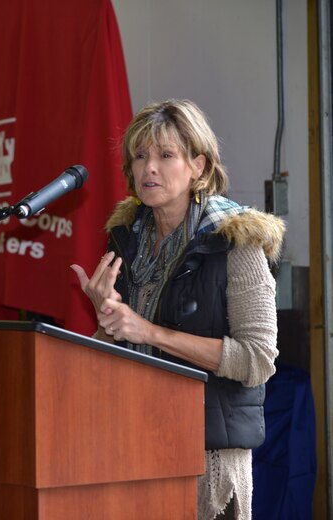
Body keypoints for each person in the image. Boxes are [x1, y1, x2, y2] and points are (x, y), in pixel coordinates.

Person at [71, 99, 285, 520]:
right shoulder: (125, 239)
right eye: (140, 156)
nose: (149, 168)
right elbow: (124, 344)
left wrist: (148, 331)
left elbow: (258, 360)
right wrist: (108, 320)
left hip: (205, 460)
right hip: (130, 446)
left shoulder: (237, 243)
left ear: (199, 167)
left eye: (166, 155)